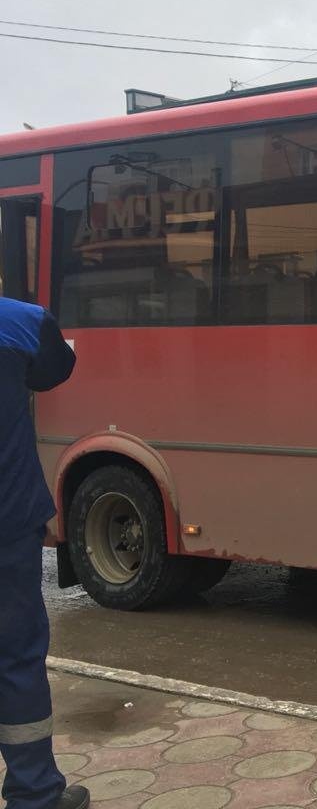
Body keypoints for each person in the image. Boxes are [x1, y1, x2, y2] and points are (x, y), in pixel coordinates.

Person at [0, 296, 85, 809]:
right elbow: (55, 370)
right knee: (15, 657)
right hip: (7, 523)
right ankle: (34, 793)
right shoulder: (17, 322)